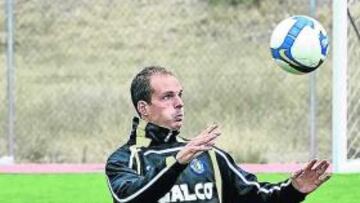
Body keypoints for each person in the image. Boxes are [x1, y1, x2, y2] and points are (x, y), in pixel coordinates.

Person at [105, 66, 331, 203]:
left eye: (180, 95)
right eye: (167, 97)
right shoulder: (124, 160)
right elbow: (129, 198)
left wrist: (293, 191)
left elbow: (256, 196)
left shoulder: (208, 155)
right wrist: (177, 162)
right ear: (143, 108)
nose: (179, 103)